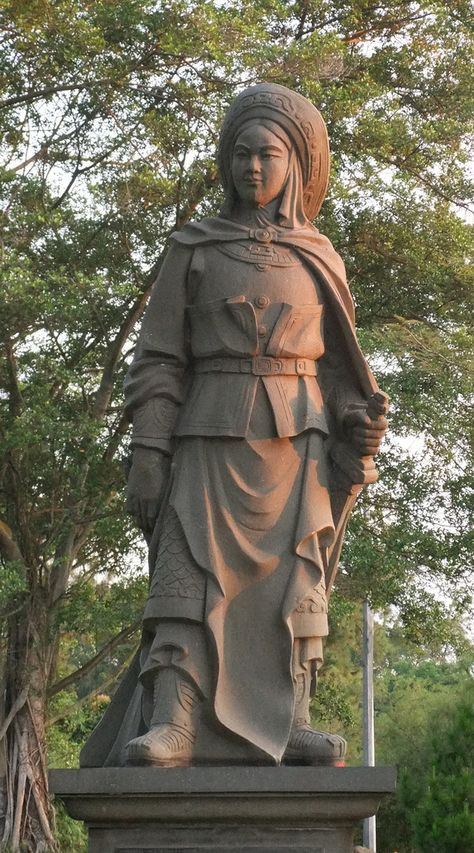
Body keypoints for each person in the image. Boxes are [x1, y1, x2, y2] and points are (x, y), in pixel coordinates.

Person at [81, 83, 387, 770]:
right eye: (240, 153)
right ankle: (175, 719)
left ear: (296, 165)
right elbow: (159, 360)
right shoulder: (193, 248)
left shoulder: (321, 258)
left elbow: (340, 375)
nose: (252, 167)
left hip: (297, 447)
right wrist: (149, 452)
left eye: (268, 154)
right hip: (206, 437)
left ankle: (290, 722)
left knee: (293, 584)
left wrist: (356, 421)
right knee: (187, 573)